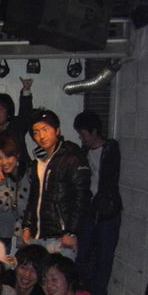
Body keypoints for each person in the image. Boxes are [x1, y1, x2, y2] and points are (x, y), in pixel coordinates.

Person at [22, 109, 91, 260]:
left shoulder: (72, 157)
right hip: (38, 236)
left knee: (59, 275)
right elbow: (34, 197)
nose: (41, 136)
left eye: (45, 129)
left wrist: (71, 232)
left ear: (57, 130)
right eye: (36, 132)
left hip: (61, 238)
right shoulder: (38, 161)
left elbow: (82, 197)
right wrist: (27, 226)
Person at [73, 110, 122, 295]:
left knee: (104, 256)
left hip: (107, 212)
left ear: (94, 132)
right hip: (89, 211)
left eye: (83, 133)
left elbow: (108, 182)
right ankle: (84, 293)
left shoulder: (110, 149)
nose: (81, 137)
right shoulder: (83, 153)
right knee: (82, 255)